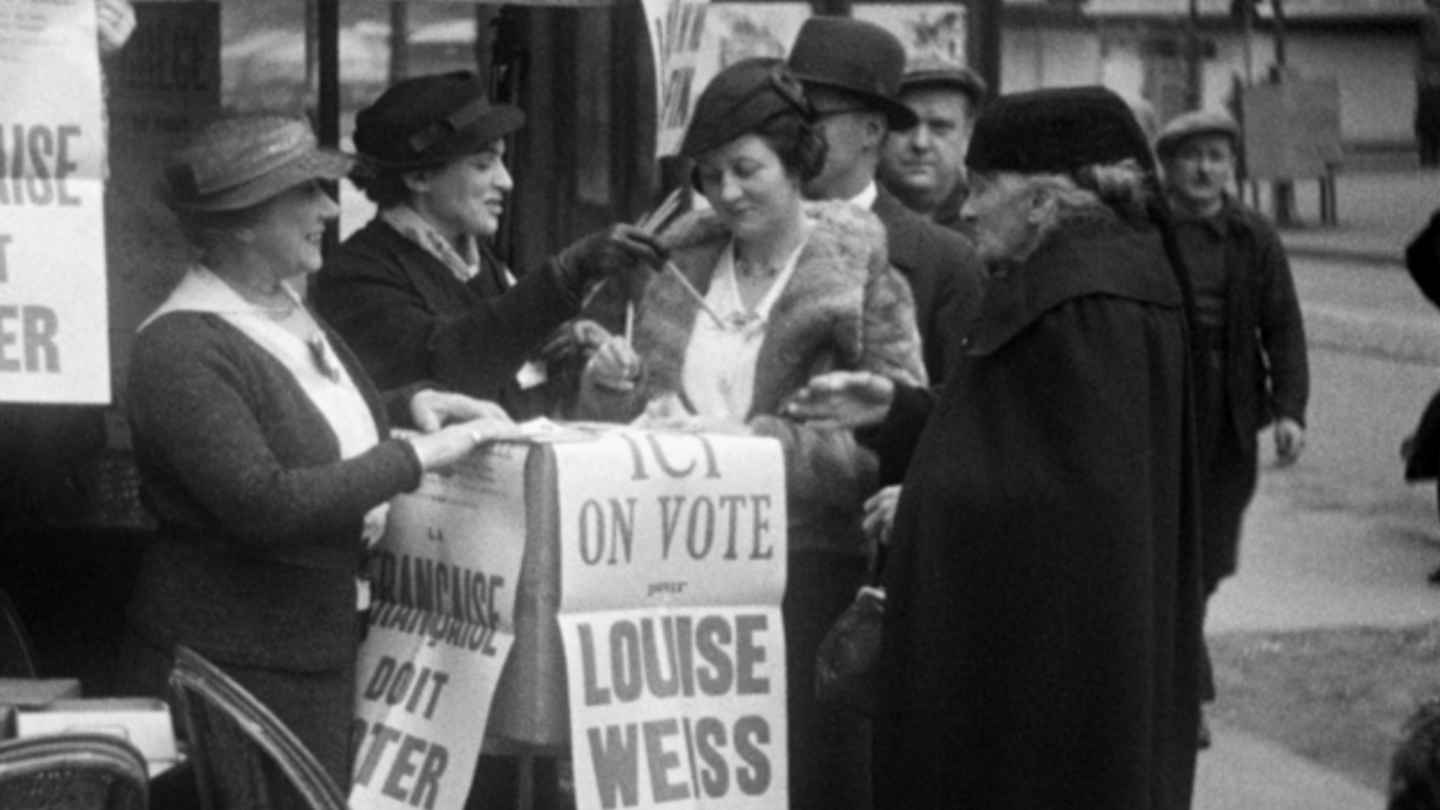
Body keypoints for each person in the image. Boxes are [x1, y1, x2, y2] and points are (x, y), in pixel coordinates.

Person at [788, 85, 1204, 810]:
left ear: (1042, 201)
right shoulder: (1094, 282)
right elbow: (1031, 432)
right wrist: (901, 409)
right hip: (1070, 660)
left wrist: (927, 501)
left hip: (1049, 679)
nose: (970, 206)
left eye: (984, 186)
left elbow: (1078, 501)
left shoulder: (1082, 303)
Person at [113, 114, 521, 803]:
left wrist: (408, 404)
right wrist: (413, 456)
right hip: (231, 669)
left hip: (302, 658)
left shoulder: (277, 303)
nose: (330, 210)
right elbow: (265, 502)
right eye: (305, 194)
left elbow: (299, 424)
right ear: (243, 222)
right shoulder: (178, 348)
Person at [573, 58, 927, 810]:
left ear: (797, 161)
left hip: (803, 583)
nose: (726, 192)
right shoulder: (680, 264)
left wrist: (740, 446)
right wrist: (612, 388)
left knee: (803, 783)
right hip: (676, 575)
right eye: (709, 176)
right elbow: (632, 423)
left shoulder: (858, 273)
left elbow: (890, 446)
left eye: (745, 169)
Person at [312, 71, 662, 420]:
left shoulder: (481, 263)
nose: (506, 181)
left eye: (501, 161)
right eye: (483, 165)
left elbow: (525, 390)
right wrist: (564, 276)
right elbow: (449, 371)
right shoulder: (354, 278)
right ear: (419, 176)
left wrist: (590, 371)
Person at [1155, 108, 1309, 741]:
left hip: (1231, 416)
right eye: (1192, 157)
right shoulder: (1146, 229)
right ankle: (1181, 691)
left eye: (1216, 157)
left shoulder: (1252, 235)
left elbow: (1283, 324)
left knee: (1212, 555)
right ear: (1169, 166)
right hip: (1163, 411)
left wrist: (1291, 410)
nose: (1204, 169)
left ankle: (1181, 662)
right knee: (1170, 551)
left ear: (1231, 166)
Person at [786, 16, 985, 385]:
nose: (793, 132)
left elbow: (958, 405)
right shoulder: (752, 237)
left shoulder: (946, 262)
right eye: (786, 116)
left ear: (873, 129)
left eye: (812, 117)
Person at [878, 57, 987, 232]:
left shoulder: (991, 229)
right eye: (905, 125)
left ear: (967, 136)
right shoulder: (847, 221)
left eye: (939, 127)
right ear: (878, 130)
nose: (920, 143)